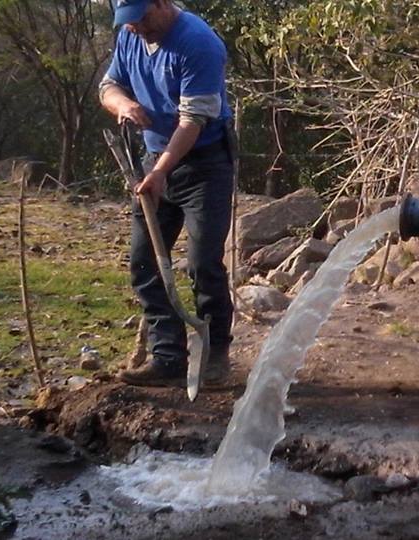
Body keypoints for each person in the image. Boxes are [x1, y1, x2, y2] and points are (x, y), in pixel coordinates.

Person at [100, 0, 233, 388]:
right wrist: (124, 104)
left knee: (203, 263)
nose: (136, 28)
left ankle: (215, 355)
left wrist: (161, 171)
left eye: (141, 18)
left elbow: (193, 121)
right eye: (128, 22)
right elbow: (108, 86)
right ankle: (168, 357)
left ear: (160, 2)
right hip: (154, 159)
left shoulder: (199, 43)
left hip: (205, 164)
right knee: (144, 263)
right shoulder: (130, 36)